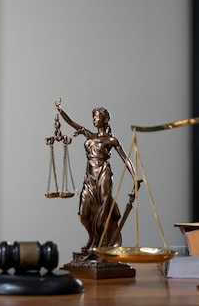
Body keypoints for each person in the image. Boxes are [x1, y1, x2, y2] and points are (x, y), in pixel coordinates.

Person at [56, 101, 138, 253]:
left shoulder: (111, 140)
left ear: (104, 119)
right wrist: (60, 111)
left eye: (97, 117)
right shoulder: (89, 134)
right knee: (84, 213)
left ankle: (100, 242)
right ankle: (92, 237)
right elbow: (71, 122)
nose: (94, 119)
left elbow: (125, 159)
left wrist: (135, 177)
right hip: (89, 177)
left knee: (103, 208)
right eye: (93, 117)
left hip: (103, 174)